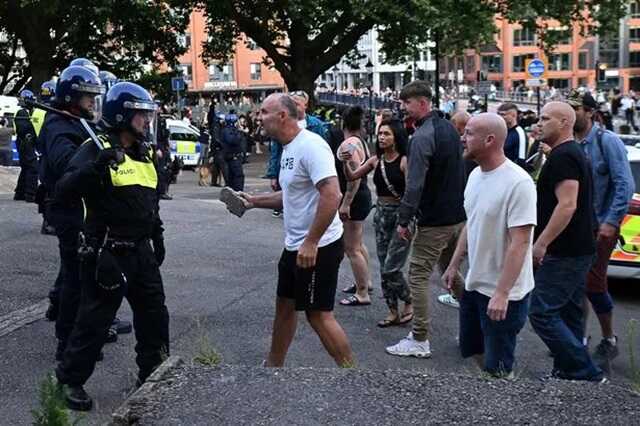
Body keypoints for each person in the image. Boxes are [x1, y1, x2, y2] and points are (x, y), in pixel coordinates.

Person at [54, 82, 169, 411]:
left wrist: (157, 235)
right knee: (94, 321)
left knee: (155, 317)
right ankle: (69, 381)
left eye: (148, 115)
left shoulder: (143, 153)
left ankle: (153, 375)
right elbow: (62, 191)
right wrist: (95, 168)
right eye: (141, 116)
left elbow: (150, 201)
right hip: (107, 250)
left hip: (141, 250)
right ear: (123, 115)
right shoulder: (95, 149)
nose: (146, 122)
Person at [236, 93, 353, 367]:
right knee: (285, 307)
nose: (258, 117)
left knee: (318, 315)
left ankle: (352, 374)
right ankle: (273, 366)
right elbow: (289, 197)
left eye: (264, 112)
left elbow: (331, 195)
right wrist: (253, 201)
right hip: (296, 245)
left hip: (319, 246)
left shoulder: (311, 146)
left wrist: (311, 242)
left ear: (282, 116)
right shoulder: (288, 147)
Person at [443, 113, 536, 377]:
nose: (462, 138)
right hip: (474, 286)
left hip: (505, 294)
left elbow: (520, 242)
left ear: (490, 140)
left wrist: (503, 293)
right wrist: (453, 264)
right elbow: (471, 224)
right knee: (473, 352)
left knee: (498, 368)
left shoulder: (519, 183)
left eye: (469, 133)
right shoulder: (474, 176)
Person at [385, 81, 466, 358]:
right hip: (456, 216)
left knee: (418, 276)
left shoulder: (422, 136)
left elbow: (415, 184)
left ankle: (420, 338)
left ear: (422, 103)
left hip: (435, 219)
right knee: (451, 273)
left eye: (406, 103)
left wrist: (404, 219)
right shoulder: (449, 130)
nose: (403, 108)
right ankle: (474, 326)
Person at [528, 102, 605, 382]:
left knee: (541, 312)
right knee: (569, 313)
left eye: (545, 118)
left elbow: (567, 205)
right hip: (577, 248)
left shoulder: (564, 156)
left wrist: (542, 243)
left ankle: (585, 370)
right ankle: (567, 372)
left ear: (564, 123)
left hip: (566, 251)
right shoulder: (566, 153)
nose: (539, 122)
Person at [38, 65, 109, 358]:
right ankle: (66, 341)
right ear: (71, 96)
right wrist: (97, 160)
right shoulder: (58, 126)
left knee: (85, 275)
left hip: (85, 209)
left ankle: (83, 335)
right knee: (75, 278)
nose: (93, 102)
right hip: (69, 210)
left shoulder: (79, 121)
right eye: (87, 97)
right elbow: (65, 162)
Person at [568, 90, 634, 370]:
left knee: (593, 284)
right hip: (575, 226)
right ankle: (577, 338)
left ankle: (609, 339)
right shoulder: (570, 143)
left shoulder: (607, 142)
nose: (571, 115)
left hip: (599, 226)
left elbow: (625, 185)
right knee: (574, 285)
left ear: (590, 113)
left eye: (576, 109)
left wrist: (610, 221)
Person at [340, 119, 413, 326]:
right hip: (381, 214)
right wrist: (346, 162)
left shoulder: (404, 161)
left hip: (400, 216)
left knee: (392, 267)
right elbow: (353, 175)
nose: (382, 137)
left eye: (387, 134)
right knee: (383, 266)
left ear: (397, 136)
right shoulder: (375, 161)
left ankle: (409, 300)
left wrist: (407, 221)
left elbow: (410, 192)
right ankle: (392, 311)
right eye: (380, 134)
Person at [334, 106, 373, 306]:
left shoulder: (349, 144)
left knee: (351, 248)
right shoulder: (361, 142)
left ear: (344, 123)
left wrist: (346, 203)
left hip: (356, 198)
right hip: (362, 196)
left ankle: (362, 293)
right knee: (357, 244)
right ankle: (365, 281)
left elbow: (354, 178)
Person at [436, 110, 473, 310]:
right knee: (451, 261)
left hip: (457, 215)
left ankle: (464, 299)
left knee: (449, 261)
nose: (463, 138)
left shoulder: (466, 156)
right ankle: (463, 297)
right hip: (460, 214)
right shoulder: (463, 154)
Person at [497, 103, 528, 169]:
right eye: (498, 114)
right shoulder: (501, 131)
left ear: (513, 115)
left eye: (503, 114)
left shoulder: (520, 133)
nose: (499, 117)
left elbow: (521, 160)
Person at [220, 114, 245, 191]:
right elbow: (232, 140)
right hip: (233, 157)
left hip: (233, 156)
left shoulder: (229, 130)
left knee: (233, 176)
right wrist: (240, 133)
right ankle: (238, 192)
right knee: (237, 176)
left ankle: (234, 191)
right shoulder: (229, 131)